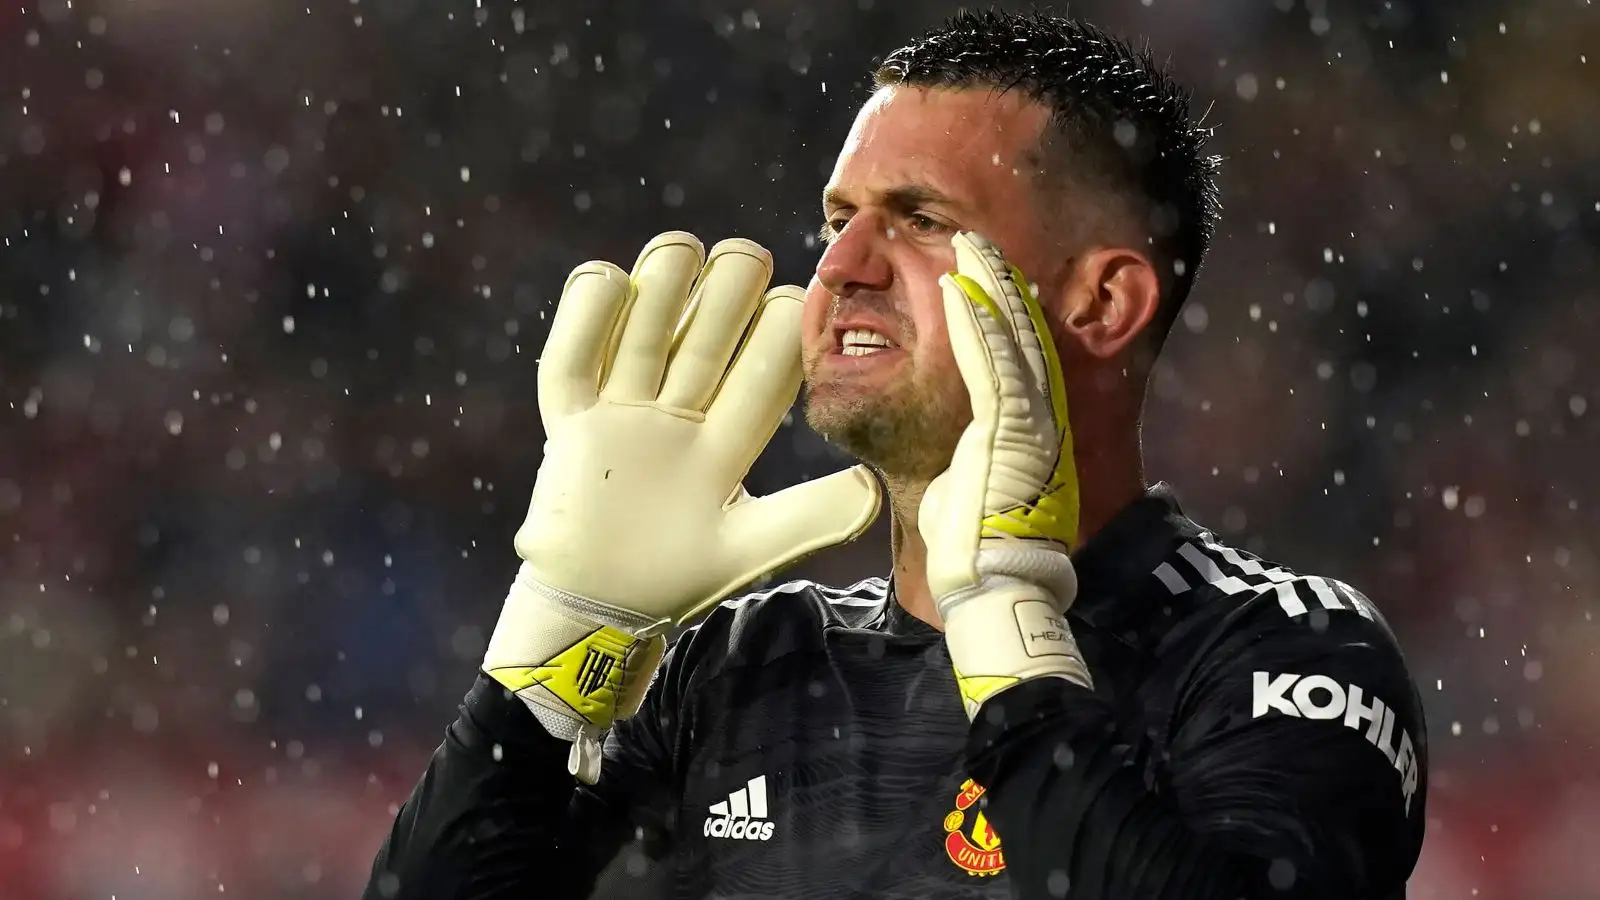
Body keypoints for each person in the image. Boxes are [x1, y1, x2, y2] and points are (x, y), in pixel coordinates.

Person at [364, 11, 1428, 900]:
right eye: (836, 220)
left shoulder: (1282, 657)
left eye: (918, 220)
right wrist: (552, 658)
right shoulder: (740, 667)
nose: (839, 269)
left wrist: (1010, 637)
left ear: (1101, 302)